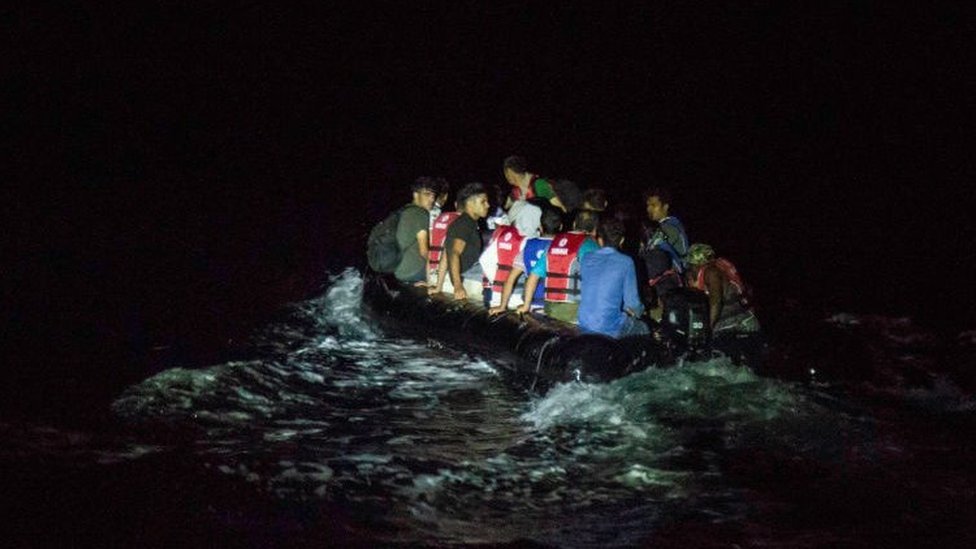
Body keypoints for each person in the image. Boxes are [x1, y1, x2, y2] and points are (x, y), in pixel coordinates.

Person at [515, 209, 599, 323]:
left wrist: (526, 305)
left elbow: (533, 276)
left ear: (574, 224)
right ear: (595, 229)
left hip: (550, 308)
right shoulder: (591, 245)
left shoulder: (555, 242)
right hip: (574, 311)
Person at [578, 217, 648, 338]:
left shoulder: (586, 258)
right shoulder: (626, 262)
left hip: (584, 324)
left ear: (600, 240)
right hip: (609, 328)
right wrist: (641, 310)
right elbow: (632, 303)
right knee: (644, 328)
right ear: (622, 240)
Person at [489, 206, 561, 314]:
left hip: (531, 304)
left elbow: (510, 279)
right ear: (561, 227)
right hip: (555, 305)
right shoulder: (563, 248)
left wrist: (502, 306)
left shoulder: (529, 245)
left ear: (540, 227)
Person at [429, 182, 491, 302]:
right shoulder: (465, 224)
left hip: (465, 274)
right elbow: (454, 253)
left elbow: (446, 254)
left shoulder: (465, 222)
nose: (487, 205)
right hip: (468, 276)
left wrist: (439, 286)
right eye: (483, 202)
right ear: (470, 203)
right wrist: (458, 286)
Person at [684, 243, 760, 335]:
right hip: (738, 323)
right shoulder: (717, 269)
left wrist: (708, 329)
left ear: (696, 264)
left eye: (690, 265)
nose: (690, 269)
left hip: (737, 325)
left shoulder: (711, 272)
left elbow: (716, 302)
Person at [479, 200, 542, 308]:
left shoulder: (501, 232)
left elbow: (485, 260)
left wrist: (497, 282)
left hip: (493, 292)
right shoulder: (528, 240)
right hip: (514, 295)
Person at [638, 187, 689, 316]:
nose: (649, 209)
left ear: (665, 206)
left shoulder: (669, 227)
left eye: (654, 205)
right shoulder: (662, 227)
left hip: (671, 287)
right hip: (666, 286)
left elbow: (648, 253)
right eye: (648, 205)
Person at [393, 177, 438, 284]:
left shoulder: (405, 210)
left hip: (396, 269)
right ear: (415, 195)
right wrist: (436, 270)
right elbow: (424, 252)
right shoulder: (420, 213)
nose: (432, 199)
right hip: (412, 271)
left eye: (433, 195)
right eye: (427, 194)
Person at [502, 156, 581, 213]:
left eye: (506, 173)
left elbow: (560, 209)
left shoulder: (539, 185)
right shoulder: (514, 192)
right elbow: (505, 210)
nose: (506, 176)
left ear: (511, 173)